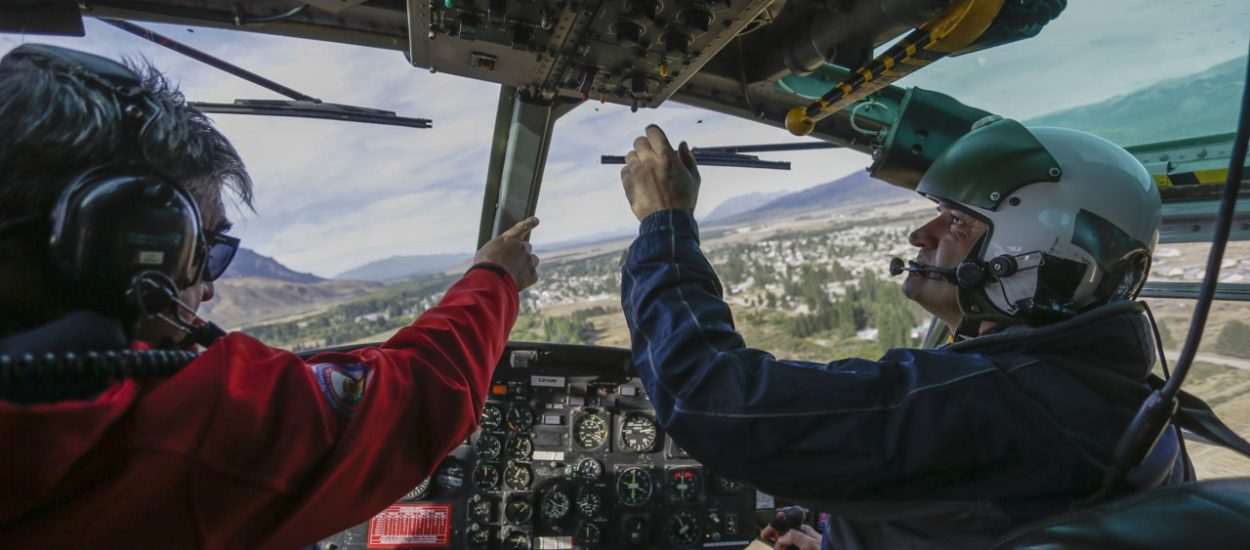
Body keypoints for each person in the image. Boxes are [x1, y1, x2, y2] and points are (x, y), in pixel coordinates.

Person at [0, 44, 540, 548]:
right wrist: (494, 276)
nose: (208, 287)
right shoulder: (156, 425)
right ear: (129, 241)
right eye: (202, 248)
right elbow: (419, 398)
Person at [617, 121, 1194, 549]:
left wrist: (663, 223)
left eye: (957, 221)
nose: (921, 233)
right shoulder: (1128, 396)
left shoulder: (990, 402)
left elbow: (712, 397)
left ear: (1039, 256)